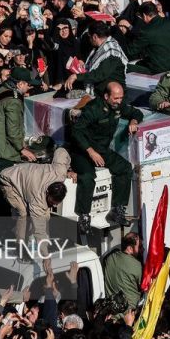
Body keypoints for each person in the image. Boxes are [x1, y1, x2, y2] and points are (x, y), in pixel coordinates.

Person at [69, 81, 143, 235]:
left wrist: (134, 121)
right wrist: (90, 151)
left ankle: (117, 209)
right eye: (116, 98)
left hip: (102, 149)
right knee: (88, 176)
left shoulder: (118, 106)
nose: (119, 101)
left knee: (124, 168)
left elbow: (136, 113)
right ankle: (84, 216)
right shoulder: (93, 109)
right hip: (83, 150)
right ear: (106, 96)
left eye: (121, 98)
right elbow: (76, 131)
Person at [0, 67, 39, 215]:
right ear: (20, 84)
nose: (29, 88)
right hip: (1, 154)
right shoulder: (14, 101)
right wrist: (22, 149)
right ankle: (2, 231)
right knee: (4, 194)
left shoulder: (0, 90)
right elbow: (13, 129)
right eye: (29, 85)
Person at [0, 148, 73, 244]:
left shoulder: (61, 172)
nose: (54, 206)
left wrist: (69, 169)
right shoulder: (36, 197)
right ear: (47, 192)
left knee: (45, 215)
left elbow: (61, 151)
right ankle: (20, 245)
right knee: (23, 212)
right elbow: (38, 227)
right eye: (52, 202)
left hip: (27, 178)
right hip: (8, 179)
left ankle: (16, 232)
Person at [62, 21, 128, 97]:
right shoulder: (99, 48)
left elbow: (99, 74)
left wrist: (76, 76)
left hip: (111, 94)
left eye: (89, 37)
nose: (89, 40)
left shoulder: (111, 51)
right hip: (100, 89)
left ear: (94, 37)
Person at [103, 231, 143, 309]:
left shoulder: (110, 258)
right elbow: (143, 286)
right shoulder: (137, 265)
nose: (142, 249)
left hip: (113, 311)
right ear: (130, 248)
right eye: (140, 246)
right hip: (130, 313)